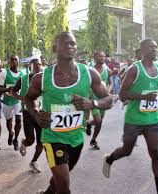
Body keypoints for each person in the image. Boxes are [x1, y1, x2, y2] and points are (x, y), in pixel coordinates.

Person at [25, 32, 112, 194]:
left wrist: (91, 103)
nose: (70, 46)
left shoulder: (89, 73)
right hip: (53, 137)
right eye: (65, 43)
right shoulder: (41, 78)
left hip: (76, 138)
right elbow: (29, 99)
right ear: (54, 48)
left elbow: (108, 100)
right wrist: (36, 115)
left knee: (59, 179)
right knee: (65, 186)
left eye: (72, 43)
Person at [102, 39, 158, 194]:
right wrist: (143, 97)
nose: (155, 49)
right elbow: (122, 93)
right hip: (134, 118)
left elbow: (153, 89)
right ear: (142, 50)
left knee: (156, 154)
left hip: (153, 119)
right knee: (127, 150)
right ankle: (109, 159)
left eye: (156, 46)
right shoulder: (134, 69)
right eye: (151, 47)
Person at [11, 58, 43, 173]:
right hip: (28, 112)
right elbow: (13, 91)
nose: (39, 66)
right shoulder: (23, 79)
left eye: (40, 64)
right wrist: (22, 98)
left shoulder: (45, 79)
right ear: (30, 66)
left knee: (41, 141)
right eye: (36, 65)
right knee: (31, 140)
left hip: (41, 113)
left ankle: (34, 161)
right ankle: (25, 142)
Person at [85, 51, 112, 150]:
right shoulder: (89, 71)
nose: (102, 57)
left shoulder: (108, 70)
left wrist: (108, 90)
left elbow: (110, 82)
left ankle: (92, 136)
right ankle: (94, 141)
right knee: (98, 120)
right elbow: (85, 84)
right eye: (100, 56)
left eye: (104, 56)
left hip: (103, 100)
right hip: (93, 99)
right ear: (94, 57)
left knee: (98, 122)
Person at [0, 55, 23, 151]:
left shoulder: (23, 74)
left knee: (19, 120)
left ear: (18, 61)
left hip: (18, 101)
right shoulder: (4, 73)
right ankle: (11, 133)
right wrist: (7, 89)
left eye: (16, 59)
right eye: (12, 59)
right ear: (9, 62)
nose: (14, 61)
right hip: (7, 101)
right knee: (9, 121)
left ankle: (16, 140)